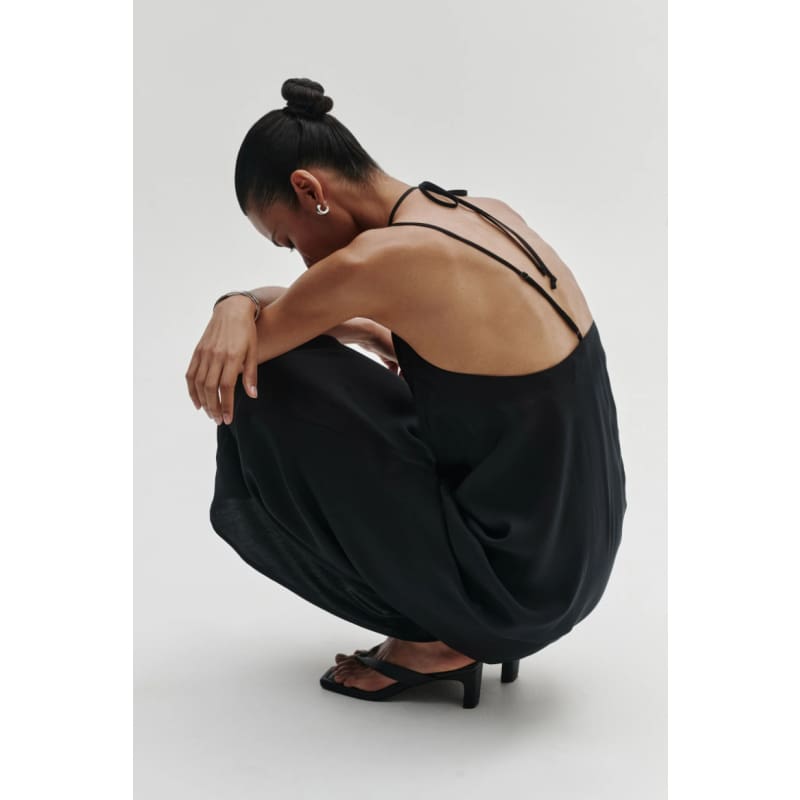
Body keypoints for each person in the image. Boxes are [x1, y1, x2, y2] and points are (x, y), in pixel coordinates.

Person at [185, 77, 628, 708]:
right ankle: (459, 622)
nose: (300, 261)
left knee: (264, 380)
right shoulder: (479, 213)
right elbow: (321, 308)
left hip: (508, 590)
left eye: (287, 239)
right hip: (570, 558)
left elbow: (247, 347)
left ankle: (442, 641)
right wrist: (356, 325)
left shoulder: (375, 262)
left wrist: (232, 302)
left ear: (310, 190)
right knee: (316, 364)